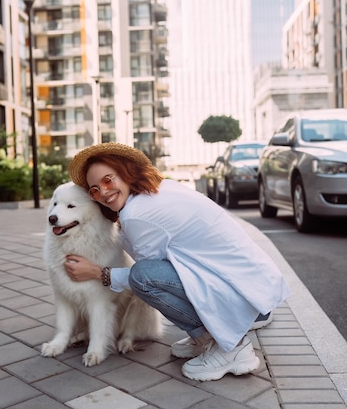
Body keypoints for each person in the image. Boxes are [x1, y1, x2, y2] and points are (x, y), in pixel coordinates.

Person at [65, 143, 291, 382]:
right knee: (147, 275)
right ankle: (207, 338)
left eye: (108, 180)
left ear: (126, 172)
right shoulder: (159, 190)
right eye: (94, 190)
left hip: (241, 300)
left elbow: (147, 275)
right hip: (253, 292)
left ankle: (232, 347)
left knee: (143, 277)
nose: (104, 191)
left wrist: (98, 272)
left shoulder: (137, 214)